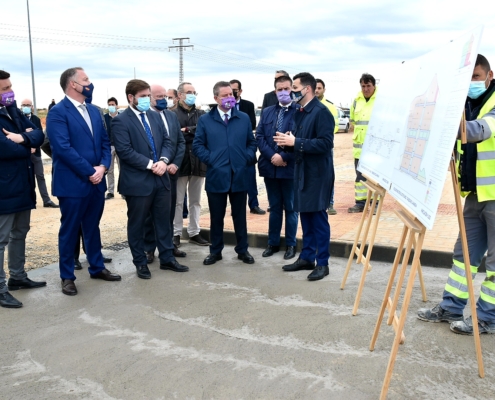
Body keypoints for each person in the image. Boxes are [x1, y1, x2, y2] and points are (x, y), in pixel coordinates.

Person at [418, 54, 495, 335]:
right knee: (464, 255)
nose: (471, 83)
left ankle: (487, 317)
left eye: (476, 77)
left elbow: (482, 130)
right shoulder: (465, 104)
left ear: (489, 75)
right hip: (475, 194)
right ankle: (451, 306)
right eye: (467, 78)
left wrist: (445, 126)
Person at [46, 67, 121, 296]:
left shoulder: (94, 111)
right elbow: (62, 148)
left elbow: (104, 142)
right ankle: (67, 276)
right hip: (72, 183)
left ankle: (97, 267)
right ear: (73, 85)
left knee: (92, 227)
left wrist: (103, 166)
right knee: (69, 230)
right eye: (86, 79)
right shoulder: (58, 112)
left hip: (95, 181)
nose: (90, 83)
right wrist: (91, 171)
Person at [112, 79, 188, 279]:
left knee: (164, 221)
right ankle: (140, 262)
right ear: (131, 97)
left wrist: (163, 160)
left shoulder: (154, 117)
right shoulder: (121, 121)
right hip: (138, 182)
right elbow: (125, 151)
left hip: (161, 179)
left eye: (148, 96)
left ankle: (167, 258)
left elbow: (168, 142)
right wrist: (150, 164)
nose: (147, 100)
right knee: (137, 225)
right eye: (143, 96)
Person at [274, 72, 334, 281]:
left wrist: (295, 142)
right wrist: (287, 144)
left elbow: (325, 144)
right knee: (306, 218)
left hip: (317, 175)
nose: (291, 92)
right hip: (302, 172)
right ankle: (307, 257)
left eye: (295, 88)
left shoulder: (321, 112)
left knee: (318, 219)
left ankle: (323, 263)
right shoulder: (300, 111)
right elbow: (299, 142)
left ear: (307, 89)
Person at [193, 81, 257, 265]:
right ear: (215, 98)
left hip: (239, 175)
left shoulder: (243, 118)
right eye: (225, 95)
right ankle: (215, 251)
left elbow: (251, 143)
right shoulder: (206, 120)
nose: (229, 98)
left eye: (231, 94)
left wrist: (245, 157)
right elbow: (198, 145)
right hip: (217, 176)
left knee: (240, 216)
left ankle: (242, 250)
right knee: (216, 217)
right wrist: (212, 159)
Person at [0, 69, 46, 308]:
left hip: (22, 184)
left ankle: (17, 276)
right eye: (5, 88)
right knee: (1, 239)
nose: (10, 92)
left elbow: (38, 134)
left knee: (20, 232)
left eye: (10, 86)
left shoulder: (12, 110)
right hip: (4, 188)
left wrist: (23, 139)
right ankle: (0, 288)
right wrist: (25, 143)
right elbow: (4, 149)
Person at [256, 75, 298, 260]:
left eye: (287, 89)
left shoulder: (299, 111)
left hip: (289, 168)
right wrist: (272, 156)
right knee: (274, 207)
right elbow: (260, 137)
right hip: (270, 166)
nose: (283, 92)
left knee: (290, 207)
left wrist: (284, 156)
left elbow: (300, 141)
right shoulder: (267, 112)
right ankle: (272, 243)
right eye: (280, 89)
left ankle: (291, 244)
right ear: (275, 91)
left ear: (292, 90)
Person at [144, 84, 186, 262]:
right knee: (149, 214)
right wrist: (158, 164)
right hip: (151, 172)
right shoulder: (145, 117)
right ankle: (148, 248)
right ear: (149, 98)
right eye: (159, 96)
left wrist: (174, 163)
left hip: (171, 172)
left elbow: (180, 142)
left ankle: (168, 246)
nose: (164, 100)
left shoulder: (171, 116)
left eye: (165, 96)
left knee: (168, 212)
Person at [171, 82, 209, 247]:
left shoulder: (202, 114)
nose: (192, 94)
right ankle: (176, 233)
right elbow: (173, 136)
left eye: (194, 92)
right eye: (189, 92)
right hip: (179, 161)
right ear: (180, 95)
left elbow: (203, 133)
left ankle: (194, 232)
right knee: (178, 201)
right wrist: (190, 132)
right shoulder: (170, 114)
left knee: (196, 201)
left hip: (198, 162)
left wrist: (186, 130)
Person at [230, 79, 265, 215]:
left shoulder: (248, 105)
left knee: (250, 179)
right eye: (230, 90)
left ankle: (254, 204)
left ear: (240, 91)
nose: (233, 93)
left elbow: (252, 124)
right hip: (230, 149)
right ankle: (236, 207)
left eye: (235, 90)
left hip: (245, 147)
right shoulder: (225, 105)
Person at [20, 98, 59, 208]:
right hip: (24, 153)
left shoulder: (36, 119)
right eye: (24, 105)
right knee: (27, 178)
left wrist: (34, 146)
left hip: (35, 153)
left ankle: (46, 200)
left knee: (40, 176)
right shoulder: (18, 120)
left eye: (28, 105)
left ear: (32, 107)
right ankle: (30, 201)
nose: (26, 107)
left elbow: (40, 136)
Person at [348, 73, 377, 213]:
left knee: (374, 177)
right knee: (360, 177)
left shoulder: (380, 100)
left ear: (374, 85)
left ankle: (375, 203)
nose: (365, 89)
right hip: (359, 148)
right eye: (363, 86)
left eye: (368, 86)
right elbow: (353, 121)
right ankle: (360, 203)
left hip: (376, 148)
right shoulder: (356, 101)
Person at [315, 79, 339, 215]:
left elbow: (333, 126)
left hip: (325, 146)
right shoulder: (307, 104)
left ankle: (330, 203)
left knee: (328, 174)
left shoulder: (330, 106)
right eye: (316, 88)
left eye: (320, 88)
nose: (317, 90)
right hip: (310, 145)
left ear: (324, 89)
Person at [104, 97, 120, 200]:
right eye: (109, 104)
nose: (111, 106)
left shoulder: (121, 117)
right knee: (109, 170)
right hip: (109, 147)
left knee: (122, 169)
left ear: (116, 105)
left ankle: (123, 190)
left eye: (113, 104)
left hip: (120, 147)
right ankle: (110, 191)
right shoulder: (105, 118)